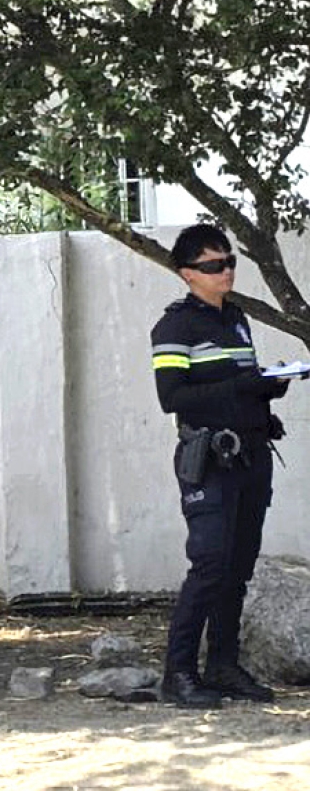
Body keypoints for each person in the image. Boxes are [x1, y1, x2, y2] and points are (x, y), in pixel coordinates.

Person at [150, 223, 289, 708]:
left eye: (229, 261)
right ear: (188, 273)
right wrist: (239, 389)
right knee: (209, 564)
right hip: (209, 460)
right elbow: (172, 397)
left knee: (237, 567)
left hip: (251, 457)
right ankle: (179, 673)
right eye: (213, 265)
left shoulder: (236, 320)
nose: (225, 271)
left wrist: (267, 388)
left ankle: (224, 666)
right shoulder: (175, 327)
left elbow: (239, 382)